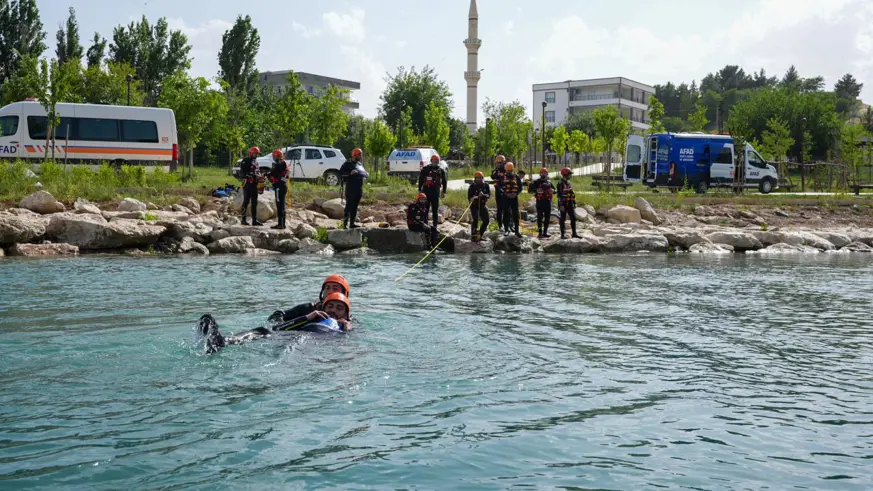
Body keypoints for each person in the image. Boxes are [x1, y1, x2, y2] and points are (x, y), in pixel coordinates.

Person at [197, 292, 353, 355]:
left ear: (346, 314)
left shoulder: (345, 326)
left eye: (339, 308)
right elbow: (277, 329)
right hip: (291, 337)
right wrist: (307, 318)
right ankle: (222, 342)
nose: (333, 310)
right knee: (262, 330)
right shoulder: (313, 316)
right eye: (330, 306)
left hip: (308, 347)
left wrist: (346, 329)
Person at [417, 154, 448, 246]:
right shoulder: (425, 169)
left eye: (436, 161)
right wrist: (419, 189)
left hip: (435, 192)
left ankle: (434, 225)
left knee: (435, 210)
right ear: (431, 161)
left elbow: (444, 181)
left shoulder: (441, 170)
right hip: (426, 191)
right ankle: (425, 224)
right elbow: (421, 179)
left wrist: (444, 191)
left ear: (438, 162)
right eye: (434, 161)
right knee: (425, 209)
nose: (435, 162)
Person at [340, 148, 369, 229]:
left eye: (361, 155)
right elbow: (341, 173)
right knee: (349, 206)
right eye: (359, 155)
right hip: (351, 189)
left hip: (358, 189)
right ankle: (345, 225)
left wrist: (366, 174)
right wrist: (350, 173)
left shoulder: (359, 165)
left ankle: (352, 224)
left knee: (355, 207)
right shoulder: (347, 164)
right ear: (355, 155)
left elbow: (363, 174)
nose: (361, 156)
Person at [240, 146, 263, 226]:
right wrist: (252, 175)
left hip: (254, 184)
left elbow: (257, 171)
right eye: (255, 153)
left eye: (257, 154)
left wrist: (260, 176)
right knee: (246, 201)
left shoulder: (255, 162)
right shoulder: (245, 161)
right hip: (247, 184)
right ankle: (243, 220)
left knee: (254, 202)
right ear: (251, 153)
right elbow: (242, 173)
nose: (256, 155)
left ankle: (254, 220)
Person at [529, 167, 555, 239]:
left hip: (548, 201)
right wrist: (536, 190)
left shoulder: (549, 182)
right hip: (540, 201)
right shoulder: (536, 182)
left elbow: (555, 190)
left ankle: (545, 232)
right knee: (540, 217)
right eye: (542, 173)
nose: (543, 174)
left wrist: (553, 190)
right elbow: (530, 191)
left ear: (547, 174)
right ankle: (540, 232)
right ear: (540, 174)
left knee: (547, 217)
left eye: (545, 173)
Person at [557, 167, 581, 239]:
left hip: (570, 203)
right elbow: (560, 195)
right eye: (569, 174)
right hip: (563, 204)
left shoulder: (568, 183)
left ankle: (574, 233)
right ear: (565, 174)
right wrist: (561, 205)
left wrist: (574, 202)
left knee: (573, 218)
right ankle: (562, 235)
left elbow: (571, 194)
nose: (570, 176)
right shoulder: (560, 183)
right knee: (563, 218)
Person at [268, 149, 289, 229]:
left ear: (276, 156)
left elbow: (272, 173)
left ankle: (280, 224)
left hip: (279, 187)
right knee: (282, 205)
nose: (273, 157)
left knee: (279, 205)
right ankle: (282, 224)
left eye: (274, 156)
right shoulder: (284, 163)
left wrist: (268, 175)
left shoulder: (279, 164)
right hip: (283, 186)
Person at [501, 162, 523, 237]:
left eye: (510, 171)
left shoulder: (516, 177)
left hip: (514, 198)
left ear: (512, 170)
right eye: (507, 171)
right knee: (506, 214)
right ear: (505, 170)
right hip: (505, 198)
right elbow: (500, 187)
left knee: (515, 214)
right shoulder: (503, 177)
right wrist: (506, 194)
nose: (508, 172)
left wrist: (515, 194)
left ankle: (516, 231)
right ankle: (506, 230)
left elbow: (520, 187)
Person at [467, 171, 491, 241]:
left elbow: (488, 195)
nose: (479, 179)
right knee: (475, 220)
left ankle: (480, 235)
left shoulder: (486, 185)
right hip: (474, 205)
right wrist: (474, 197)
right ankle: (473, 236)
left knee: (486, 220)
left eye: (480, 178)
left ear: (482, 178)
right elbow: (469, 198)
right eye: (477, 178)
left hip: (482, 205)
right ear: (475, 179)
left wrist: (483, 195)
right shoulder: (472, 186)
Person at [490, 155, 507, 231]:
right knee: (499, 209)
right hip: (498, 191)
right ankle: (500, 226)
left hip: (506, 191)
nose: (499, 164)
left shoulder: (507, 170)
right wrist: (497, 171)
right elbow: (492, 176)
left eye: (501, 163)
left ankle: (508, 225)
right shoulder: (495, 171)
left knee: (507, 209)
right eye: (498, 163)